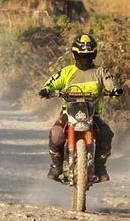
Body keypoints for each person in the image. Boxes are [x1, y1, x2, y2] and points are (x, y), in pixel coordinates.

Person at [39, 32, 121, 182]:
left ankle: (100, 166)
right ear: (74, 54)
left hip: (93, 115)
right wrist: (47, 90)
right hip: (68, 115)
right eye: (81, 55)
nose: (85, 59)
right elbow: (51, 82)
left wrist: (115, 89)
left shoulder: (101, 72)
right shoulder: (66, 72)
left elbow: (111, 82)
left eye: (88, 56)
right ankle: (56, 166)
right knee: (56, 134)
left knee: (106, 134)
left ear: (94, 55)